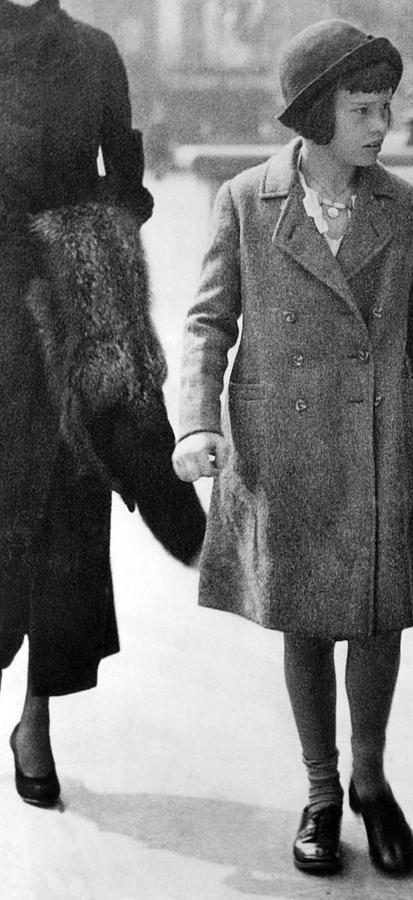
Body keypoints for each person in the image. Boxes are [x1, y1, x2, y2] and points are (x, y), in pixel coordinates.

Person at [173, 18, 413, 877]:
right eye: (363, 110)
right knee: (302, 620)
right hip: (284, 447)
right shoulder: (246, 201)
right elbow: (207, 323)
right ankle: (322, 790)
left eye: (387, 106)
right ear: (313, 115)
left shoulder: (406, 210)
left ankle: (371, 782)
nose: (382, 125)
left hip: (381, 441)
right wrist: (196, 422)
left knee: (379, 617)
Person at [0, 0, 205, 809]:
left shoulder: (92, 52)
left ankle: (36, 718)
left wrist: (93, 240)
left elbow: (123, 170)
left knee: (63, 521)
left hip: (69, 316)